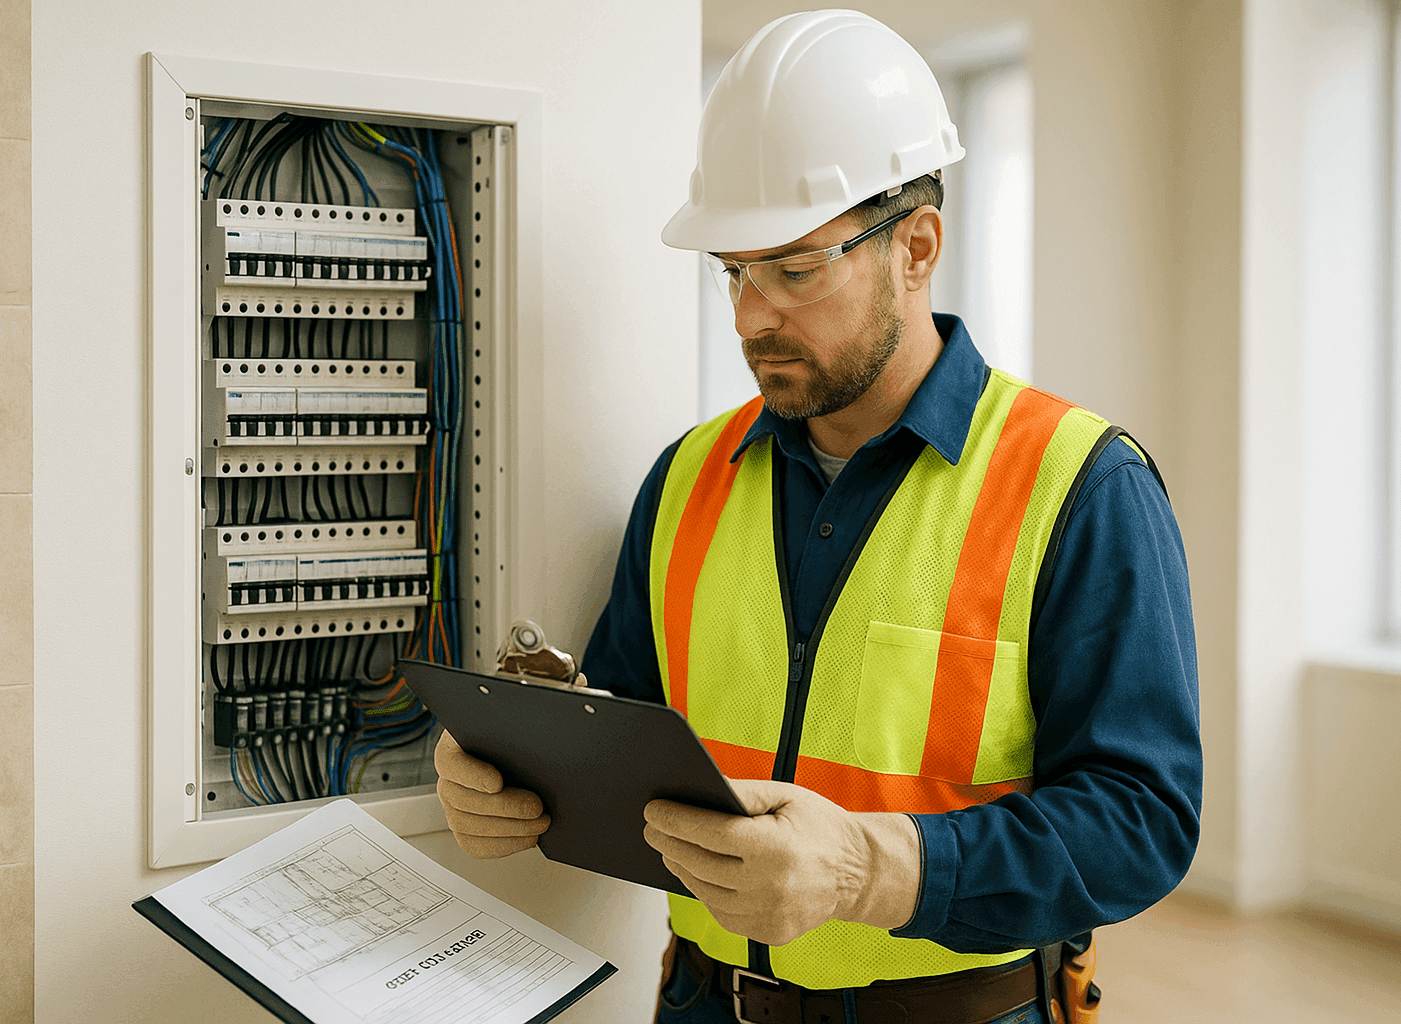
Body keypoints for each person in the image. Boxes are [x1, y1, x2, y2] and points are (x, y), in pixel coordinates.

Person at [434, 10, 1202, 1023]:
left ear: (916, 248)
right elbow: (621, 728)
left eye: (794, 269)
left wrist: (868, 870)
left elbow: (1140, 820)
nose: (753, 316)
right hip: (705, 1001)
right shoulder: (687, 478)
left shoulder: (1081, 487)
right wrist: (510, 773)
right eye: (733, 273)